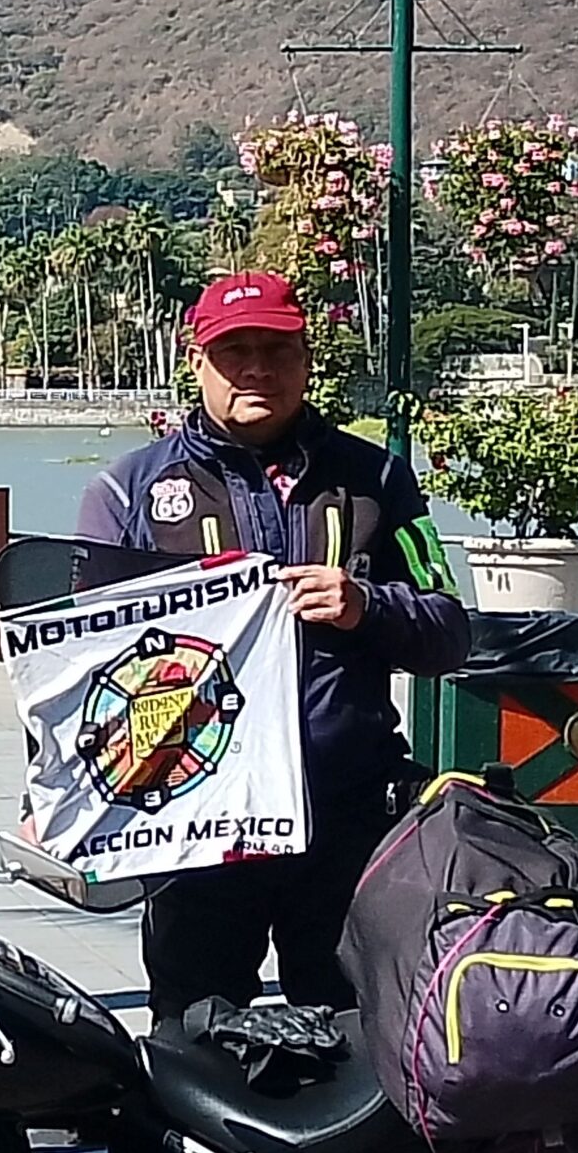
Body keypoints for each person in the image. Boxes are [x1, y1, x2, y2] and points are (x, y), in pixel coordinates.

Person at [76, 271, 469, 1022]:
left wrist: (366, 607)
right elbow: (79, 668)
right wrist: (59, 797)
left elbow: (449, 633)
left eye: (277, 349)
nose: (257, 368)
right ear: (197, 360)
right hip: (196, 830)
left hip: (346, 818)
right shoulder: (127, 493)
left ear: (307, 359)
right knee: (196, 1038)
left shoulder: (378, 479)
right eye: (235, 351)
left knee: (363, 1038)